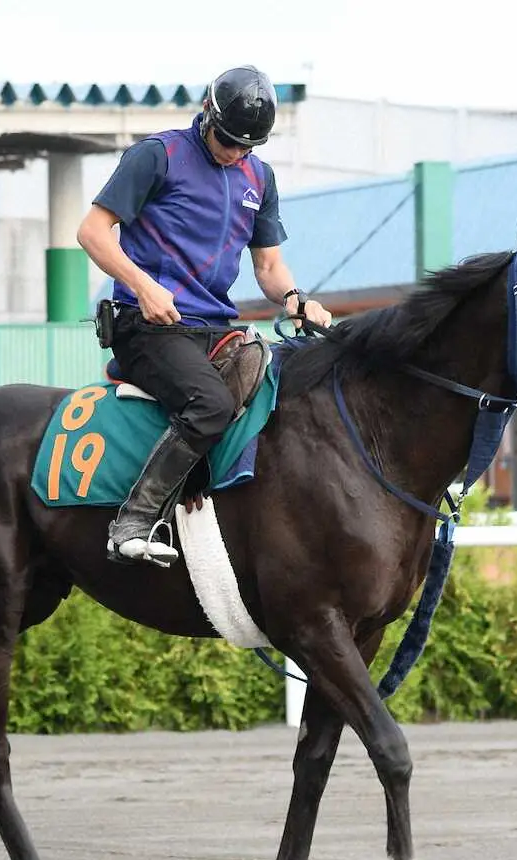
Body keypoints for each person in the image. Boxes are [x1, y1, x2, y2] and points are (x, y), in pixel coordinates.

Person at [76, 65, 332, 567]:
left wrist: (297, 300)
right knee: (211, 405)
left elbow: (268, 265)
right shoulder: (157, 154)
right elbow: (93, 231)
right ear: (206, 113)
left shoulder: (260, 177)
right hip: (147, 325)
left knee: (290, 387)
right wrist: (143, 287)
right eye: (228, 140)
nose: (235, 153)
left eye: (247, 146)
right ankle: (133, 518)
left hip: (215, 329)